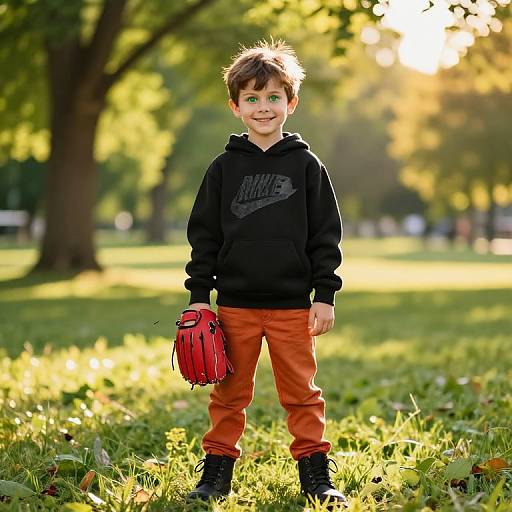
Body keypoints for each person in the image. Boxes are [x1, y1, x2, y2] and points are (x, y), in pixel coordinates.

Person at [183, 38, 347, 507]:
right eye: (251, 99)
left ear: (290, 103)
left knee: (302, 394)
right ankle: (215, 475)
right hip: (234, 304)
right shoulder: (222, 168)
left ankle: (316, 476)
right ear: (235, 106)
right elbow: (205, 238)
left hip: (293, 305)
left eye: (273, 96)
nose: (262, 107)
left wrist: (325, 294)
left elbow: (325, 235)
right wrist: (199, 296)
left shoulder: (307, 166)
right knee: (228, 395)